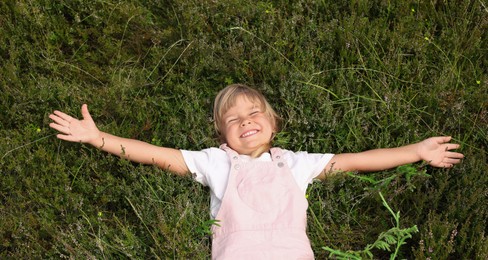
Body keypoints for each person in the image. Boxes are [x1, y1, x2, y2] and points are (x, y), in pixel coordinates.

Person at [49, 84, 464, 259]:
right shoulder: (216, 161)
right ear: (222, 135)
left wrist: (415, 151)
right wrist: (98, 138)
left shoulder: (296, 163)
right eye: (233, 120)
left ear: (273, 123)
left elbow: (356, 160)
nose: (245, 121)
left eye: (253, 113)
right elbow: (157, 154)